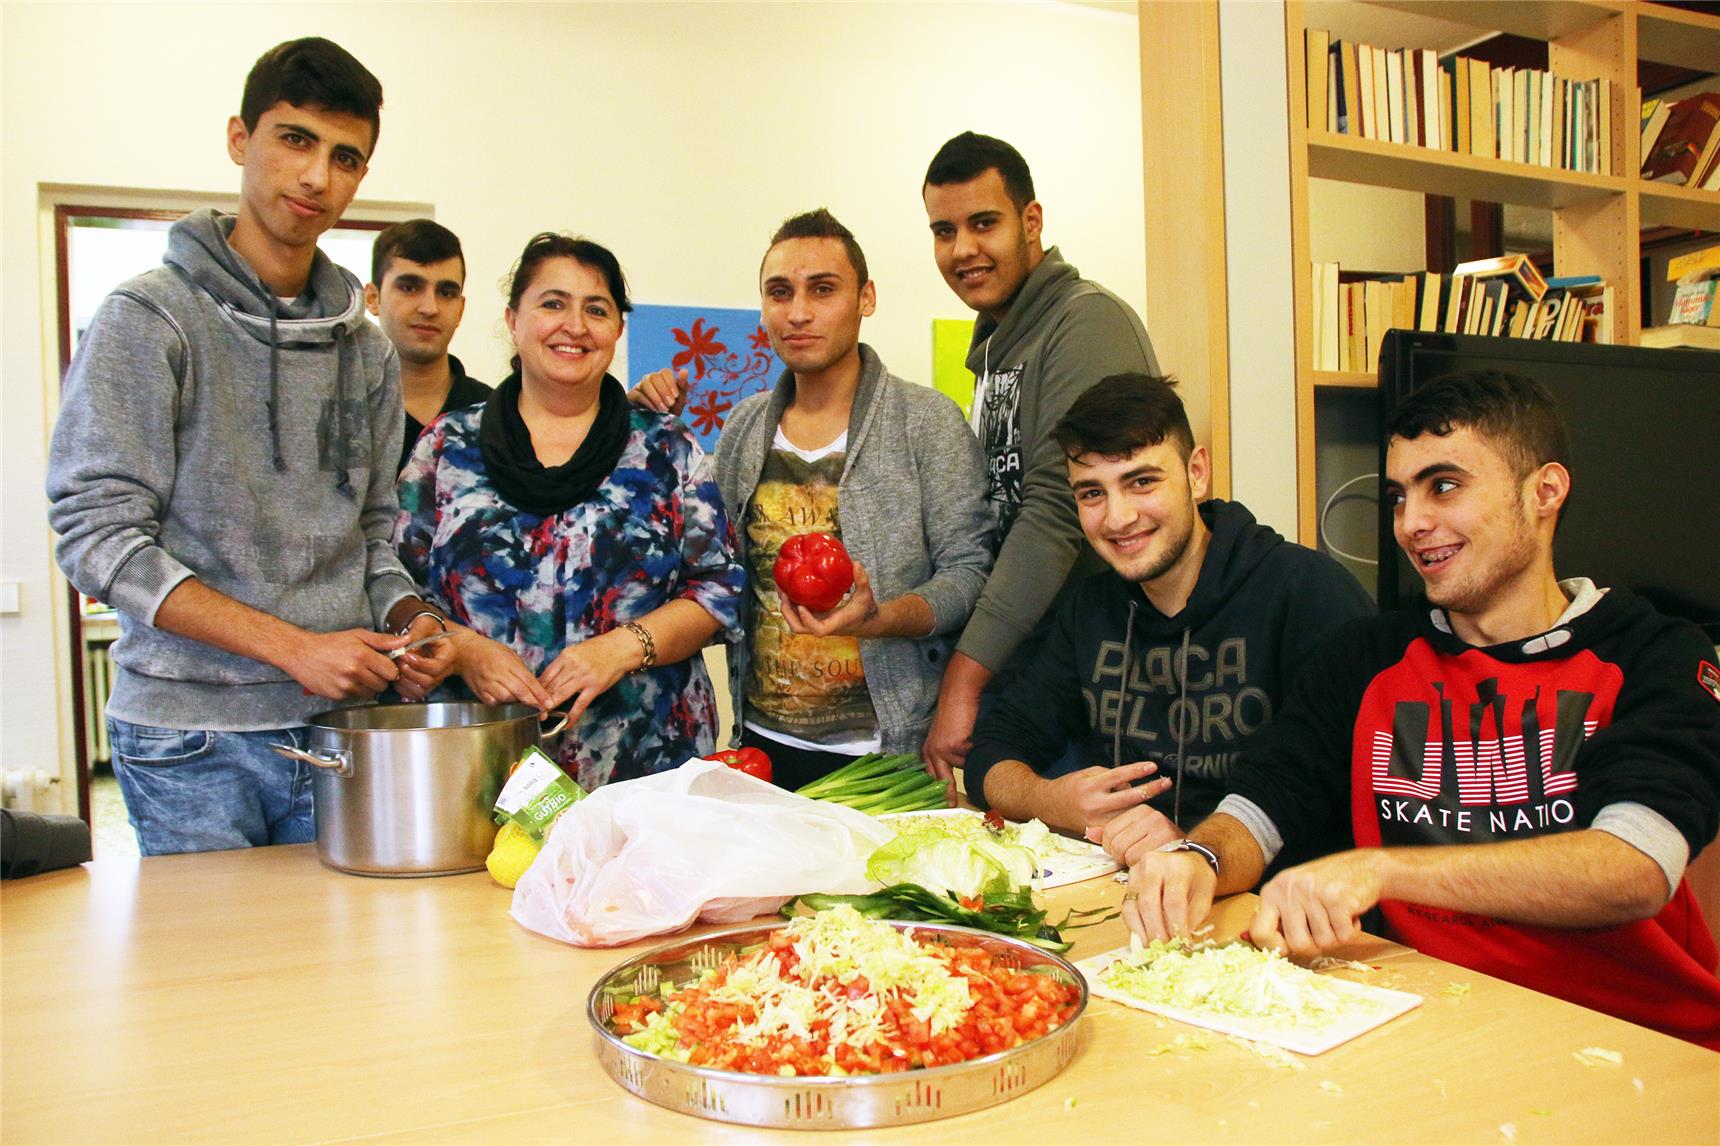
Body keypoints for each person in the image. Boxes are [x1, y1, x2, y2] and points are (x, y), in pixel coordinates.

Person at [1122, 370, 1720, 1048]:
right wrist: (1199, 855)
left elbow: (1634, 869)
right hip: (1429, 1018)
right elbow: (1264, 804)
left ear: (1545, 491)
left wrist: (1381, 868)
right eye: (1400, 496)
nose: (1411, 523)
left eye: (1444, 486)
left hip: (1638, 1038)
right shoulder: (1366, 656)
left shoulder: (1658, 652)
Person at [46, 38, 457, 856]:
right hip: (189, 741)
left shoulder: (366, 350)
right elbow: (97, 537)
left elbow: (369, 534)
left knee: (337, 977)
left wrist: (414, 619)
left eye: (344, 157)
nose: (316, 177)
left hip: (338, 733)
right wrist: (294, 648)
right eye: (294, 140)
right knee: (219, 983)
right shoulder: (149, 319)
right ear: (241, 139)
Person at [965, 374, 1373, 857]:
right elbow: (993, 751)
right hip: (1128, 893)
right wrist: (1052, 799)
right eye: (1092, 493)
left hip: (1268, 906)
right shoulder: (1090, 611)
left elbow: (1339, 789)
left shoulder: (1308, 594)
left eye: (1141, 482)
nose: (1118, 518)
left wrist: (1198, 852)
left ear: (1196, 473)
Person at [394, 233, 745, 791]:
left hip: (647, 765)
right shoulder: (444, 449)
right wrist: (461, 648)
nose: (575, 325)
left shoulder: (666, 450)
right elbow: (394, 589)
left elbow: (720, 590)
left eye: (596, 309)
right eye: (552, 303)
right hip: (478, 766)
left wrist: (621, 648)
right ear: (513, 319)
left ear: (617, 330)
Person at [702, 209, 992, 790]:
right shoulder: (743, 427)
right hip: (759, 748)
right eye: (780, 293)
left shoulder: (926, 422)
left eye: (823, 290)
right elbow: (711, 569)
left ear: (866, 298)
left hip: (887, 758)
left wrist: (880, 618)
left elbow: (970, 575)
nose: (799, 312)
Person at [918, 131, 1162, 789]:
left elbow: (1056, 510)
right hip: (1030, 668)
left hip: (1089, 683)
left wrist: (965, 677)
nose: (962, 248)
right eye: (944, 230)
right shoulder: (999, 344)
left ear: (1032, 221)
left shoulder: (1085, 324)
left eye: (983, 223)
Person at [364, 219, 491, 474]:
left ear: (460, 309)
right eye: (409, 287)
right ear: (372, 298)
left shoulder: (496, 415)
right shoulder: (341, 408)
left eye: (446, 293)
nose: (429, 308)